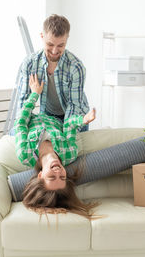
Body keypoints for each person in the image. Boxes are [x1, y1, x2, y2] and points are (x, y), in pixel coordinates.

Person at [14, 74, 98, 219]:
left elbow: (20, 123)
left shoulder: (25, 154)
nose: (58, 171)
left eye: (52, 177)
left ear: (40, 176)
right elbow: (69, 126)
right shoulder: (69, 153)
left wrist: (35, 95)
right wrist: (83, 120)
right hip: (58, 118)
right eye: (63, 177)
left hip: (31, 116)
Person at [14, 14, 90, 134]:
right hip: (48, 116)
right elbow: (23, 102)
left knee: (70, 150)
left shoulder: (76, 67)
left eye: (61, 45)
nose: (55, 51)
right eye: (50, 44)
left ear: (67, 39)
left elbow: (74, 106)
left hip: (75, 117)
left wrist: (66, 133)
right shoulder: (30, 64)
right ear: (42, 36)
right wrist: (22, 129)